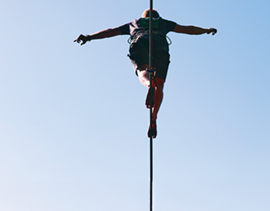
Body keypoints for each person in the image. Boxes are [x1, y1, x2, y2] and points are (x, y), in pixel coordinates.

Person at [75, 9, 217, 138]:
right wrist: (206, 30)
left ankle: (149, 84)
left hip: (140, 41)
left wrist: (89, 37)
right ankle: (154, 116)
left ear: (143, 17)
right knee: (160, 85)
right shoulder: (164, 23)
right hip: (160, 44)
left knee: (142, 71)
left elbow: (109, 32)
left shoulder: (133, 24)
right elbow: (188, 29)